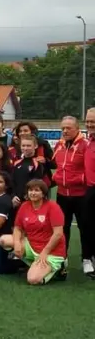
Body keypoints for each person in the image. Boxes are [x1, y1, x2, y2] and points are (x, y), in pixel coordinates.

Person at [0, 179, 67, 285]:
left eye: (37, 190)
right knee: (3, 240)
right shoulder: (25, 206)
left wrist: (45, 252)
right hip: (32, 245)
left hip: (51, 251)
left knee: (33, 279)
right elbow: (17, 228)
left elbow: (58, 234)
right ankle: (35, 264)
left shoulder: (53, 207)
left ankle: (59, 268)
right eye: (30, 190)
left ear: (43, 193)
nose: (33, 193)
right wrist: (17, 243)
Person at [51, 116, 89, 276]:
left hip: (81, 195)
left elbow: (90, 170)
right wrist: (55, 178)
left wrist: (76, 180)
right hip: (62, 194)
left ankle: (87, 259)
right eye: (63, 128)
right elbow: (55, 166)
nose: (65, 131)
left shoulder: (86, 145)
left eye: (68, 128)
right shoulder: (59, 144)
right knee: (62, 228)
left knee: (85, 228)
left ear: (77, 128)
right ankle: (62, 257)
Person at [12, 121, 54, 186]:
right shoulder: (15, 146)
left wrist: (45, 160)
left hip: (41, 184)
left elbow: (54, 164)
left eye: (25, 131)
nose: (22, 133)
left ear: (32, 132)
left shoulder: (42, 144)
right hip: (21, 183)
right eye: (20, 131)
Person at [11, 135, 45, 207]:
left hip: (30, 200)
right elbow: (13, 181)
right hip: (15, 200)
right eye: (23, 145)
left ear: (35, 146)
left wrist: (28, 196)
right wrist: (13, 196)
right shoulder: (17, 163)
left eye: (28, 146)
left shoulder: (37, 163)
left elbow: (36, 183)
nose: (25, 148)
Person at [85, 108, 95, 279]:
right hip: (89, 189)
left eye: (93, 121)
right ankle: (88, 258)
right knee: (89, 226)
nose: (89, 124)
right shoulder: (89, 141)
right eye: (87, 120)